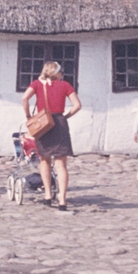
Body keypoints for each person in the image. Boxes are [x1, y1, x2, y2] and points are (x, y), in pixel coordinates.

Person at [22, 62, 82, 210]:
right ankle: (62, 199)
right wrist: (66, 116)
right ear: (57, 72)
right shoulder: (65, 85)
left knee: (45, 161)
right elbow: (77, 105)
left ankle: (48, 195)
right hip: (59, 123)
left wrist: (29, 116)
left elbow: (24, 98)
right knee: (61, 164)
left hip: (43, 123)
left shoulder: (36, 84)